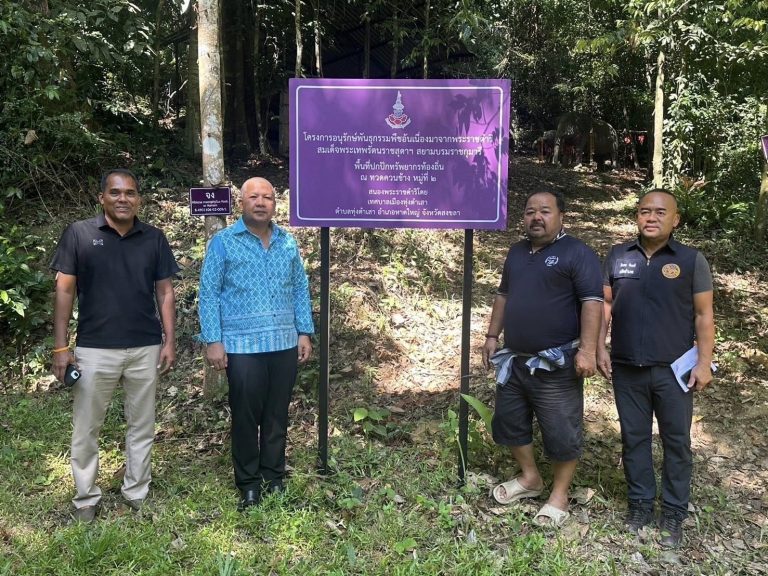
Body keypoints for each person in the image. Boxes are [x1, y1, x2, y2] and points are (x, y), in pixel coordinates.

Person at [51, 168, 179, 523]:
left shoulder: (154, 238)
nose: (123, 199)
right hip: (95, 349)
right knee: (87, 427)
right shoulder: (79, 234)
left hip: (145, 347)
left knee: (142, 424)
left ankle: (136, 491)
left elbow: (165, 291)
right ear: (102, 198)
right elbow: (64, 290)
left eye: (130, 193)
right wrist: (61, 347)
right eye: (115, 192)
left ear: (139, 199)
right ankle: (85, 498)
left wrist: (169, 340)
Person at [598, 189, 714, 547]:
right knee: (633, 438)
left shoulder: (691, 260)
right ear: (637, 216)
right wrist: (598, 346)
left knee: (676, 442)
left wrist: (704, 362)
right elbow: (605, 305)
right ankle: (640, 504)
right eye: (644, 211)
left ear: (675, 219)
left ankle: (674, 512)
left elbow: (703, 314)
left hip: (674, 372)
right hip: (627, 367)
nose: (651, 217)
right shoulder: (619, 255)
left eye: (660, 212)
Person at [481, 190, 603, 527]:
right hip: (515, 359)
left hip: (557, 362)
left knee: (561, 430)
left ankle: (559, 495)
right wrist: (491, 336)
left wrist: (587, 350)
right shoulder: (517, 252)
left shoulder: (577, 252)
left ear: (561, 216)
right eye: (530, 211)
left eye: (545, 211)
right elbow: (503, 295)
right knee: (509, 421)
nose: (536, 217)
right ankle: (530, 478)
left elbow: (592, 302)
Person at [198, 177, 314, 511]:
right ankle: (248, 484)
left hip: (283, 342)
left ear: (275, 204)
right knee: (246, 417)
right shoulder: (223, 242)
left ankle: (273, 477)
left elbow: (299, 288)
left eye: (268, 197)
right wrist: (213, 340)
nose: (261, 202)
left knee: (277, 414)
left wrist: (303, 332)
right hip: (241, 346)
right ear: (241, 202)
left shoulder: (287, 242)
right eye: (254, 197)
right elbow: (209, 292)